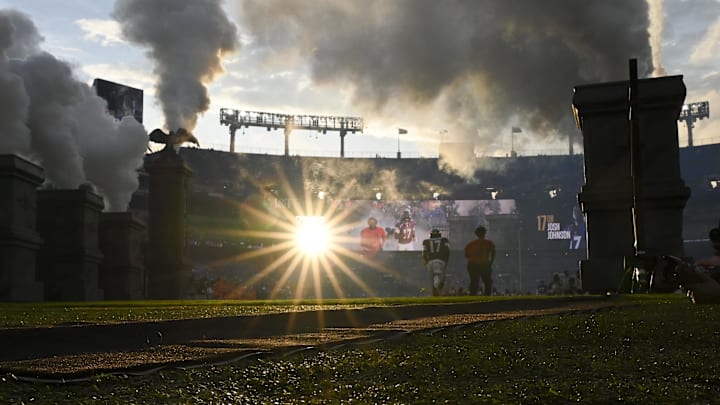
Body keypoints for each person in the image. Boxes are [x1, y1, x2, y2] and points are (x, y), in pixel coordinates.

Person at [464, 225, 495, 295]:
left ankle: (473, 297)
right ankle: (487, 298)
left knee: (474, 282)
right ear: (485, 233)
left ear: (476, 234)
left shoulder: (470, 245)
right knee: (487, 282)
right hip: (484, 264)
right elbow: (493, 253)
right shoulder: (489, 243)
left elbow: (466, 255)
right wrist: (490, 263)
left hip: (473, 265)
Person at [422, 229, 450, 296]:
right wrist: (445, 261)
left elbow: (424, 253)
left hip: (430, 261)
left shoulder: (426, 241)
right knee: (439, 279)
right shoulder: (444, 240)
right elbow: (447, 251)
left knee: (433, 280)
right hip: (440, 261)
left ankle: (435, 294)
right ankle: (439, 292)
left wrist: (425, 260)